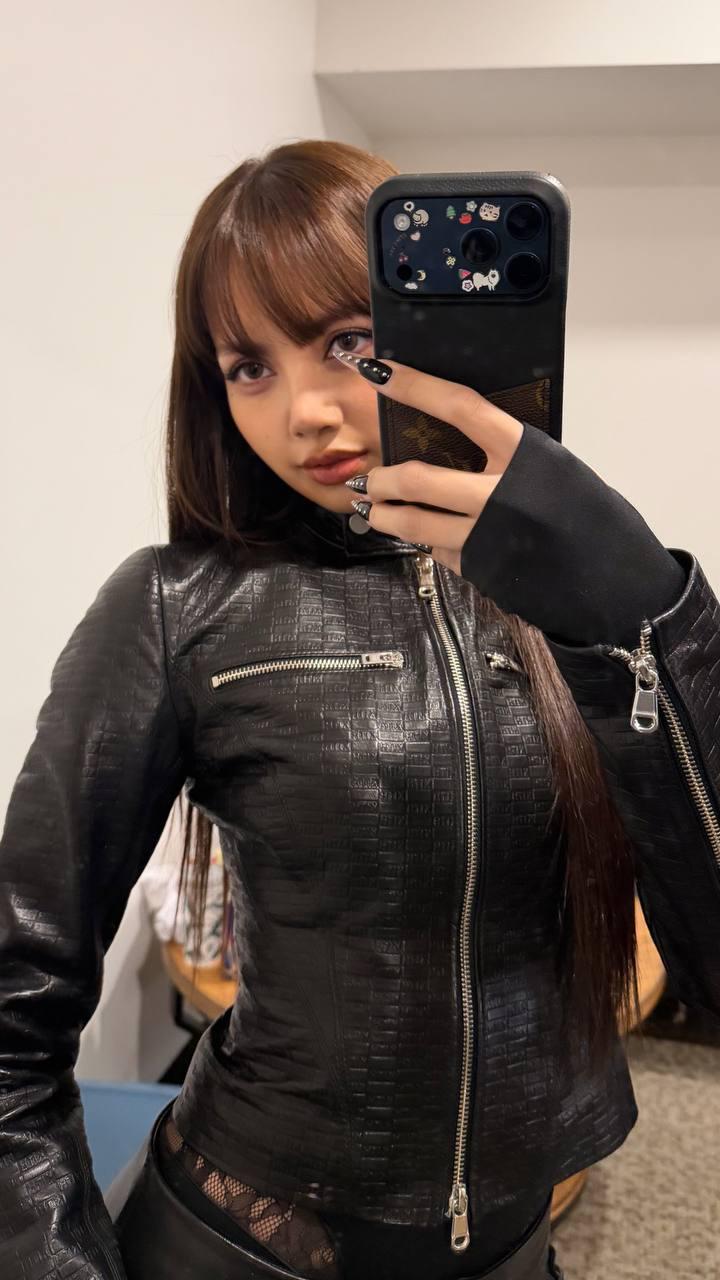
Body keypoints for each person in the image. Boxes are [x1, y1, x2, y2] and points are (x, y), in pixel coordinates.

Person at [1, 138, 718, 1280]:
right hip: (239, 1243)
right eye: (249, 366)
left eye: (346, 343)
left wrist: (655, 614)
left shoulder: (570, 603)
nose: (306, 413)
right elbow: (12, 1014)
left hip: (516, 1251)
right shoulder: (176, 607)